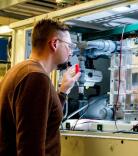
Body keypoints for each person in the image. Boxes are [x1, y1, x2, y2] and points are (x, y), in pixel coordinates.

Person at [0, 19, 81, 156]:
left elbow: (44, 119)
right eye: (69, 45)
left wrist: (63, 91)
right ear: (54, 44)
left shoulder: (20, 71)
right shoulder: (36, 77)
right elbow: (30, 148)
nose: (71, 52)